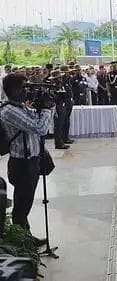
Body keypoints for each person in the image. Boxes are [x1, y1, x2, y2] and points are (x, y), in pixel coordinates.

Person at [0, 73, 52, 245]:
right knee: (22, 204)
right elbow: (40, 128)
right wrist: (45, 109)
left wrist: (41, 107)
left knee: (24, 202)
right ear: (14, 90)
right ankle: (21, 242)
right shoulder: (9, 111)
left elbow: (35, 120)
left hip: (31, 161)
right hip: (22, 164)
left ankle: (25, 236)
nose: (27, 91)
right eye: (24, 87)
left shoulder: (19, 106)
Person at [60, 65, 74, 146]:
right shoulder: (62, 81)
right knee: (63, 121)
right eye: (66, 72)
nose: (68, 73)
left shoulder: (67, 80)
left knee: (67, 121)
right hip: (64, 103)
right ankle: (63, 138)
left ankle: (66, 137)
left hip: (69, 102)